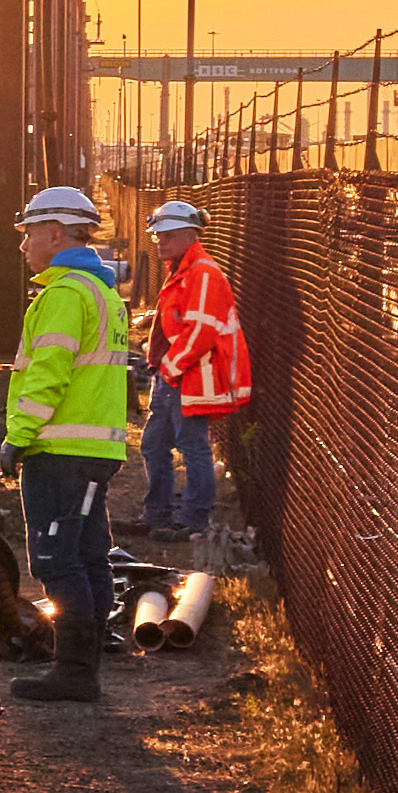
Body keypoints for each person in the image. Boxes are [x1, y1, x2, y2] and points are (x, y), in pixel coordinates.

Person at [5, 182, 138, 703]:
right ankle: (84, 668)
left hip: (60, 453)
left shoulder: (64, 295)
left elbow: (48, 375)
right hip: (95, 450)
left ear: (56, 234)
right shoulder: (104, 294)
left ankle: (75, 674)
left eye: (29, 233)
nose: (23, 244)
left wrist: (17, 437)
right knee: (89, 558)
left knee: (57, 560)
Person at [135, 196, 249, 544]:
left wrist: (170, 368)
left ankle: (193, 521)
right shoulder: (184, 269)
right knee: (154, 445)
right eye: (158, 236)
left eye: (167, 236)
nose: (160, 242)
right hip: (176, 374)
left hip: (189, 376)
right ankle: (158, 514)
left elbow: (201, 331)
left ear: (190, 235)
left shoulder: (202, 273)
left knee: (192, 446)